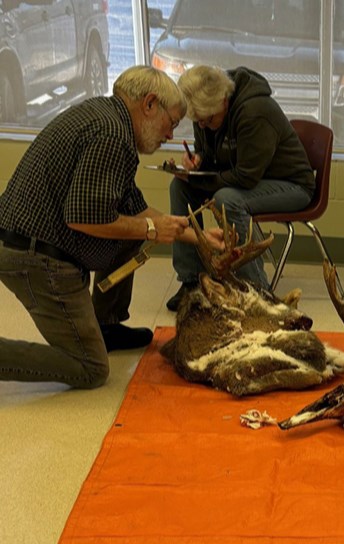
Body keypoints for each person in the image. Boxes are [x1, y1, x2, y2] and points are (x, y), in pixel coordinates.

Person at [0, 65, 223, 390]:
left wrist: (201, 237)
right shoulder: (111, 136)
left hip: (26, 239)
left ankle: (105, 325)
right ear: (149, 104)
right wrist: (150, 230)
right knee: (89, 369)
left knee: (133, 229)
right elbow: (84, 218)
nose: (170, 135)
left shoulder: (107, 119)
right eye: (171, 122)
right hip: (34, 256)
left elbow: (133, 207)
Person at [165, 65, 314, 311]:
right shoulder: (207, 114)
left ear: (223, 100)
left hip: (292, 185)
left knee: (228, 199)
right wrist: (197, 161)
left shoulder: (255, 111)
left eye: (207, 119)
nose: (201, 126)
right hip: (251, 182)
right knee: (179, 189)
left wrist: (198, 180)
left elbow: (245, 177)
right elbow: (213, 156)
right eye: (196, 121)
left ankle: (257, 291)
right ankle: (191, 281)